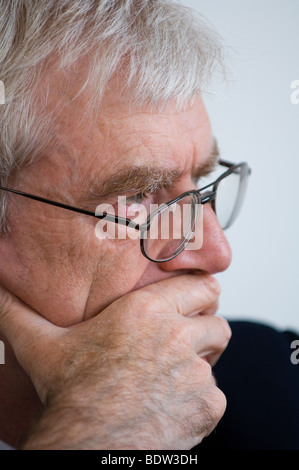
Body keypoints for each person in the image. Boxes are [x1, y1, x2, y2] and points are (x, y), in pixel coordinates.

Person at [0, 0, 298, 450]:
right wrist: (106, 428)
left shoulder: (277, 382)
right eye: (136, 199)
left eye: (199, 181)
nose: (217, 253)